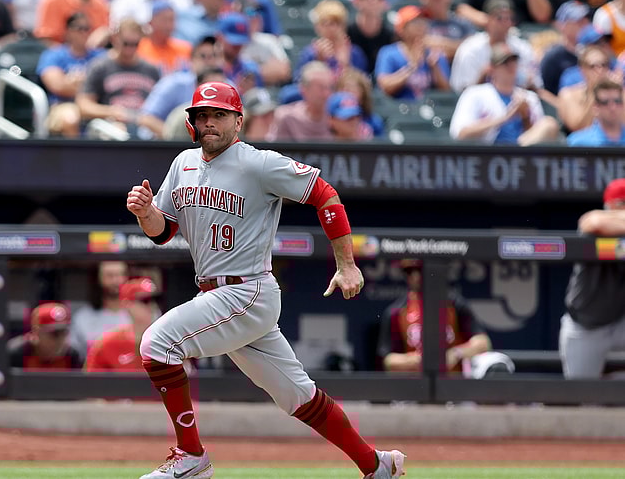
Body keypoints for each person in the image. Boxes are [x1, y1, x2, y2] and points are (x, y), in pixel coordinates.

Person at [125, 81, 406, 479]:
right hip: (217, 292)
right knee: (298, 396)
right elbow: (163, 230)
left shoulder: (257, 163)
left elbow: (325, 194)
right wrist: (144, 213)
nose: (209, 123)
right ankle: (376, 465)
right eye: (201, 116)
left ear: (238, 121)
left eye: (219, 115)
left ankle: (191, 456)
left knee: (157, 343)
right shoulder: (182, 163)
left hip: (246, 289)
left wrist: (347, 263)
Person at [378, 259, 514, 378]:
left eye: (419, 270)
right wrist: (418, 360)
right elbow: (389, 361)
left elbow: (483, 342)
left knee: (495, 360)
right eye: (408, 272)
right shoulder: (396, 311)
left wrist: (455, 354)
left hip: (455, 383)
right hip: (415, 385)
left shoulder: (453, 303)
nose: (415, 276)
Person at [559, 178, 625, 378]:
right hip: (586, 324)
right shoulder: (595, 225)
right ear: (611, 205)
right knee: (580, 393)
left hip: (621, 321)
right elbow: (593, 222)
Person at [450, 43, 559, 146]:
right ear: (492, 68)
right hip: (488, 154)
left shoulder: (529, 97)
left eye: (514, 61)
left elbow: (537, 137)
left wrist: (525, 117)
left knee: (549, 124)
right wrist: (507, 117)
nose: (511, 66)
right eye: (505, 62)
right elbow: (460, 133)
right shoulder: (475, 94)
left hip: (522, 156)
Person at [450, 0, 540, 93]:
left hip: (517, 102)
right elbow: (461, 92)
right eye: (499, 18)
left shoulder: (523, 48)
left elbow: (536, 86)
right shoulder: (470, 49)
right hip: (480, 104)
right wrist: (482, 77)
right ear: (488, 19)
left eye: (509, 18)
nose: (505, 23)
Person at [374, 5, 451, 101]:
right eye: (415, 22)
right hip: (400, 110)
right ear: (402, 29)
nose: (421, 26)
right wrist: (412, 67)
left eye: (424, 21)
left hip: (432, 110)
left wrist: (434, 67)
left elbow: (447, 93)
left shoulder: (435, 54)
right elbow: (384, 87)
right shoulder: (389, 53)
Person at [85, 277, 161, 372]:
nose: (152, 305)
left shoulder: (170, 341)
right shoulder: (106, 344)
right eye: (145, 300)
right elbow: (90, 383)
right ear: (127, 304)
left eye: (156, 299)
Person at [68, 261, 131, 360]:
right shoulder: (83, 317)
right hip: (94, 373)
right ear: (98, 279)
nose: (115, 281)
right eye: (109, 276)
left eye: (119, 275)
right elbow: (73, 354)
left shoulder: (140, 314)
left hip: (130, 374)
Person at [557, 46, 618, 134]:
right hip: (583, 145)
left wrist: (617, 91)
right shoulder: (568, 94)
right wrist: (595, 92)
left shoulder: (617, 93)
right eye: (593, 66)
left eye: (603, 65)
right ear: (583, 70)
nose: (599, 70)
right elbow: (578, 127)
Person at [9, 302, 83, 370]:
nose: (61, 339)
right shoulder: (16, 354)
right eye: (55, 333)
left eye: (65, 332)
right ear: (36, 332)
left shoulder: (72, 356)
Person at [540, 1, 590, 96]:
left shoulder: (595, 50)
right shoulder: (553, 57)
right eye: (578, 21)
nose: (584, 24)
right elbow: (546, 92)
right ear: (562, 25)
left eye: (585, 19)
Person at [568, 79, 625, 146]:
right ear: (595, 107)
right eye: (605, 102)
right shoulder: (578, 142)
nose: (612, 107)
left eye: (617, 101)